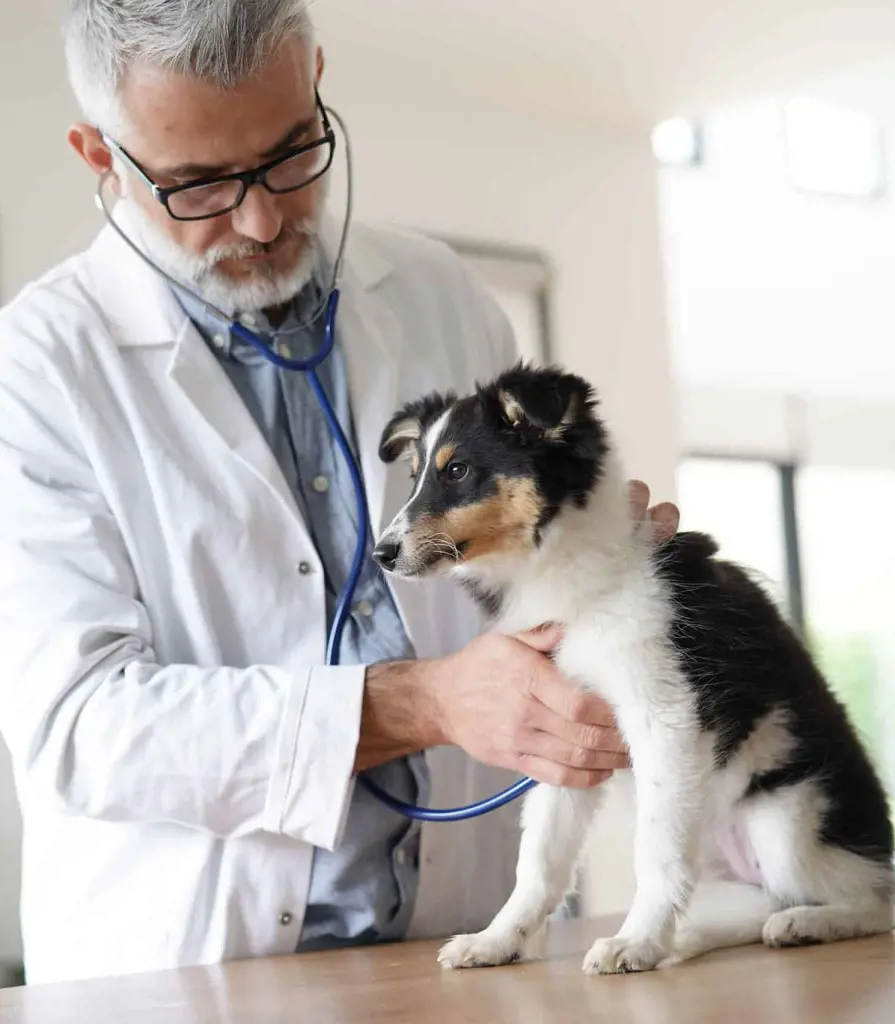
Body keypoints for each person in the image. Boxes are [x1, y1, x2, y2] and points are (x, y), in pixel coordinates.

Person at [0, 0, 680, 985]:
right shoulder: (37, 370)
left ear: (316, 78)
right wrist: (427, 702)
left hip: (452, 955)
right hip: (185, 978)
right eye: (198, 185)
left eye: (289, 153)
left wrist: (590, 572)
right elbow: (79, 726)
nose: (263, 218)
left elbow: (506, 584)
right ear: (101, 158)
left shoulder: (437, 294)